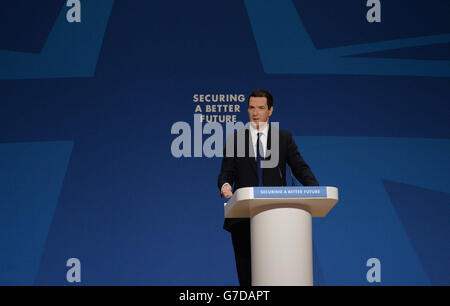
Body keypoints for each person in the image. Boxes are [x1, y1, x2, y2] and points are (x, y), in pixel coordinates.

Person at [217, 89, 319, 286]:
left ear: (270, 110)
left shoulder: (283, 138)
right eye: (252, 108)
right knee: (248, 279)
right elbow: (226, 172)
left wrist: (314, 189)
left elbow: (299, 167)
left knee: (277, 275)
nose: (255, 113)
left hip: (278, 218)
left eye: (261, 108)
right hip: (243, 218)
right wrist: (226, 185)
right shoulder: (235, 139)